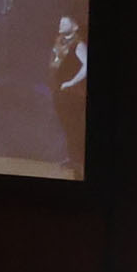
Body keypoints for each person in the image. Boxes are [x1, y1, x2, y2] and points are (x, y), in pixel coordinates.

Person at [50, 16, 87, 173]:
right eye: (60, 22)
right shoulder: (60, 42)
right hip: (60, 92)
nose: (61, 24)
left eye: (65, 23)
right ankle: (73, 158)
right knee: (67, 126)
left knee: (74, 125)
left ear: (75, 27)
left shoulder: (78, 45)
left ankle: (78, 159)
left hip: (72, 94)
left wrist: (71, 82)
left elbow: (86, 65)